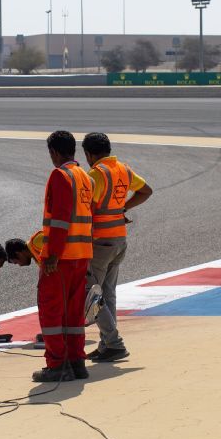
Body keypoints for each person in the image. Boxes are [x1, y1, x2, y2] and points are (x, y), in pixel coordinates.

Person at [81, 132, 152, 363]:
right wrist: (123, 210)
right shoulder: (123, 169)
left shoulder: (96, 174)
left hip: (101, 242)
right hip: (120, 240)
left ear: (89, 154)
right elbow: (145, 191)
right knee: (108, 294)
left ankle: (114, 343)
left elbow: (88, 210)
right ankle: (106, 345)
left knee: (91, 294)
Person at [32, 130, 94, 383]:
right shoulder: (84, 176)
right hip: (82, 253)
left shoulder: (60, 175)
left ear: (54, 152)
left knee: (51, 311)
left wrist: (52, 255)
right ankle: (76, 361)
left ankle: (57, 364)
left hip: (62, 255)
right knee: (73, 314)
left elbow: (59, 220)